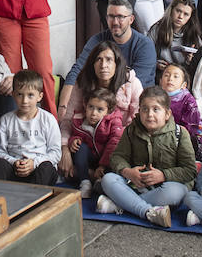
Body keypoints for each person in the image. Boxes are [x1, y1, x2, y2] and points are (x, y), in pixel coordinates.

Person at [95, 86, 198, 227]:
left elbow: (189, 170)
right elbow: (117, 157)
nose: (149, 114)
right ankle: (148, 211)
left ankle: (120, 204)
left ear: (167, 114)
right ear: (139, 111)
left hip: (165, 187)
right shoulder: (131, 130)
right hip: (136, 184)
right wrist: (128, 172)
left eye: (156, 109)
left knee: (176, 193)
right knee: (108, 179)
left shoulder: (180, 133)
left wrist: (163, 175)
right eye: (144, 109)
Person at [57, 39, 142, 179]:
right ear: (92, 64)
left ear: (117, 63)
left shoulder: (131, 83)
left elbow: (139, 120)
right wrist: (64, 148)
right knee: (73, 154)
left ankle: (99, 177)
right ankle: (88, 177)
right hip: (89, 144)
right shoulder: (82, 82)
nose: (104, 65)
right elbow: (67, 120)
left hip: (121, 143)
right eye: (99, 60)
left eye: (109, 60)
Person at [61, 0, 157, 108]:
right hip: (100, 102)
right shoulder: (97, 40)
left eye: (121, 17)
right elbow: (77, 71)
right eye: (111, 16)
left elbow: (133, 85)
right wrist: (63, 107)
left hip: (136, 104)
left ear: (131, 19)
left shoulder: (144, 45)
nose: (115, 22)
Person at [0, 71, 61, 185]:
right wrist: (15, 162)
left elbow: (56, 153)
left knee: (47, 167)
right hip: (14, 169)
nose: (25, 101)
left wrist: (34, 163)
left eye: (30, 95)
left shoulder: (48, 119)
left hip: (37, 168)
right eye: (20, 94)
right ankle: (1, 198)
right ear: (13, 94)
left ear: (40, 96)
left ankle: (35, 200)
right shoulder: (5, 120)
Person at [64, 89, 123, 197]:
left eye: (100, 109)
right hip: (90, 159)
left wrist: (102, 166)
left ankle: (100, 182)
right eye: (91, 107)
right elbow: (75, 134)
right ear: (85, 105)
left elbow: (114, 143)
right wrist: (74, 140)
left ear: (108, 111)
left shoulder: (113, 122)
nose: (93, 113)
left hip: (106, 159)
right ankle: (85, 182)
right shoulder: (80, 121)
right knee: (80, 148)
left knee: (116, 156)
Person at [148, 0, 202, 74]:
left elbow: (200, 65)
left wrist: (190, 61)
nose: (180, 16)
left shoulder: (194, 35)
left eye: (186, 14)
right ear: (171, 10)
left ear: (190, 17)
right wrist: (155, 63)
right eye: (178, 11)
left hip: (183, 75)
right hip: (160, 74)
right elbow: (146, 55)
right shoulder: (157, 29)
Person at [157, 62, 202, 151]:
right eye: (166, 75)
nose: (170, 79)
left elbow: (191, 126)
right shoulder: (156, 96)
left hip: (184, 136)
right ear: (160, 81)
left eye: (176, 76)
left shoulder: (188, 100)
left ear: (184, 85)